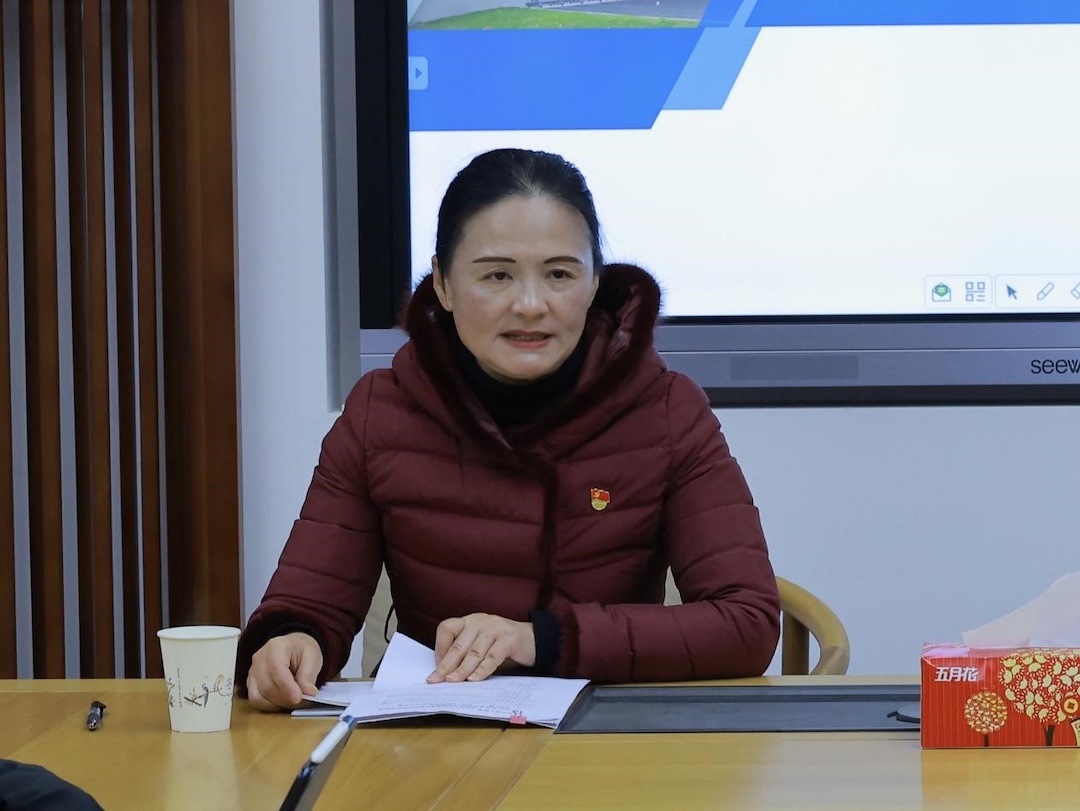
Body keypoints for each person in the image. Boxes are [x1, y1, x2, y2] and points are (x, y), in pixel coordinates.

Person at [237, 148, 780, 711]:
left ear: (595, 283)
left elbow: (746, 622)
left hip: (603, 730)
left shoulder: (666, 410)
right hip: (431, 725)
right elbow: (310, 601)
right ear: (443, 285)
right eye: (497, 275)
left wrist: (542, 640)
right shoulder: (382, 412)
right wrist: (291, 642)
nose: (530, 305)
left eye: (560, 275)